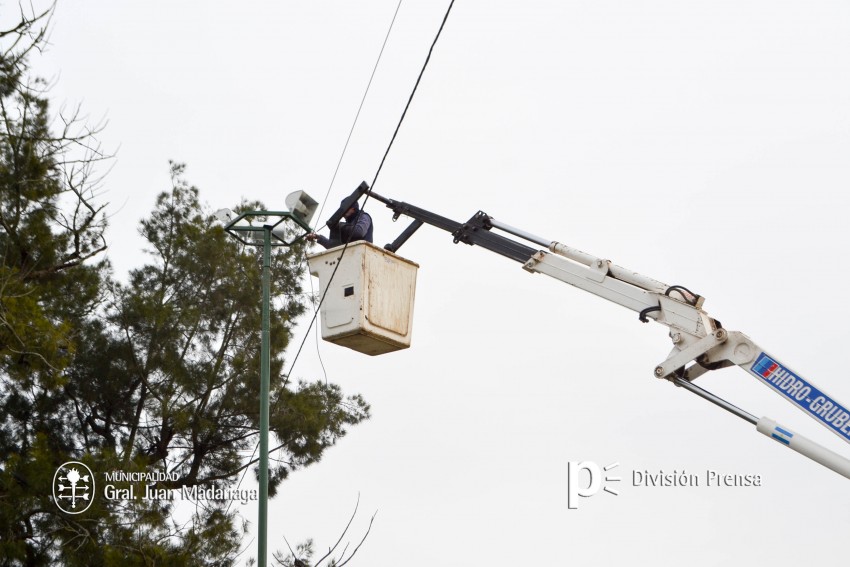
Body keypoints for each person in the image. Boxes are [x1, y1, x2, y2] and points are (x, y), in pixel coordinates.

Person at [306, 199, 373, 249]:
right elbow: (334, 246)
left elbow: (359, 232)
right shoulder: (347, 226)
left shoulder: (364, 216)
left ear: (352, 208)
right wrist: (318, 237)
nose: (342, 213)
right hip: (351, 258)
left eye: (344, 209)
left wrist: (340, 226)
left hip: (364, 253)